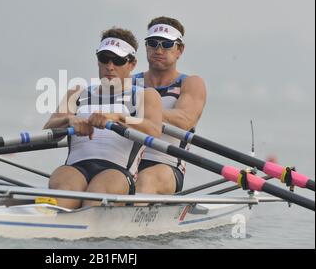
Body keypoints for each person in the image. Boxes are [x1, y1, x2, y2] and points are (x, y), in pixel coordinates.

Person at [44, 27, 162, 209]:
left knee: (96, 195)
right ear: (97, 60)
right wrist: (69, 120)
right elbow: (48, 130)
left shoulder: (145, 95)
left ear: (132, 64)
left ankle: (85, 220)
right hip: (75, 168)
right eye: (104, 59)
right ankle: (49, 218)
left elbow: (155, 131)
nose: (110, 66)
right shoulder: (77, 92)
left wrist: (118, 118)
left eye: (118, 60)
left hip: (117, 173)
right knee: (64, 188)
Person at [133, 16, 207, 194]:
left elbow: (185, 120)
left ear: (179, 49)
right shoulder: (130, 82)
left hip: (166, 166)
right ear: (146, 47)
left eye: (166, 44)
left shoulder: (190, 83)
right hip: (125, 163)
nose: (158, 50)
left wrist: (145, 111)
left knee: (146, 179)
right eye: (152, 43)